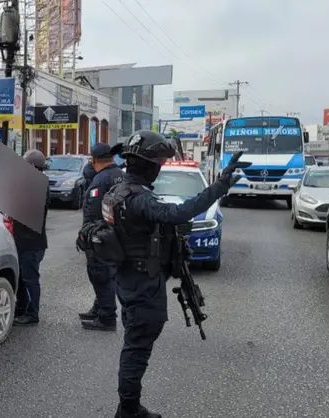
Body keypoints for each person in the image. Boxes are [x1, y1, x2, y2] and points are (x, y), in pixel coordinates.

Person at [107, 131, 244, 418]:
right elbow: (180, 212)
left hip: (131, 278)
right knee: (137, 347)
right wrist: (220, 186)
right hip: (141, 285)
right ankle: (128, 409)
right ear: (147, 165)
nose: (160, 167)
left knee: (137, 342)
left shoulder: (120, 190)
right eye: (158, 162)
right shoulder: (139, 199)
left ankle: (128, 405)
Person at [79, 143, 123, 331]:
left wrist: (87, 234)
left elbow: (94, 212)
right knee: (105, 275)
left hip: (101, 237)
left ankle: (106, 317)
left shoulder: (102, 179)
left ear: (94, 160)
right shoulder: (120, 174)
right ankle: (99, 308)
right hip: (114, 236)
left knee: (100, 274)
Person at [12, 149, 51, 326]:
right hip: (28, 241)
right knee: (23, 278)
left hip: (31, 243)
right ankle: (22, 308)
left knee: (30, 279)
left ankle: (32, 314)